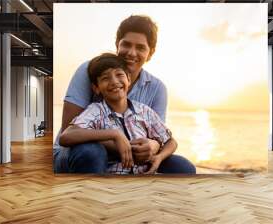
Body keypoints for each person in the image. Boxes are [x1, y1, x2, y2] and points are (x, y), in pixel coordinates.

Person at [53, 15, 195, 174]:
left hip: (135, 158)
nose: (131, 53)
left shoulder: (155, 92)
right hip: (76, 152)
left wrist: (154, 148)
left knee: (183, 167)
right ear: (117, 45)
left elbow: (160, 138)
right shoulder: (91, 72)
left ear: (151, 53)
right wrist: (117, 139)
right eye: (126, 44)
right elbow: (67, 133)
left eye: (140, 47)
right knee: (92, 152)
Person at [60, 53, 177, 174]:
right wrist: (114, 135)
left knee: (184, 166)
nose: (114, 81)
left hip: (143, 177)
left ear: (128, 79)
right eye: (105, 78)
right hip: (114, 179)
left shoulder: (144, 111)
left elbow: (170, 141)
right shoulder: (96, 111)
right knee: (91, 153)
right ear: (96, 88)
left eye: (119, 74)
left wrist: (159, 157)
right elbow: (66, 136)